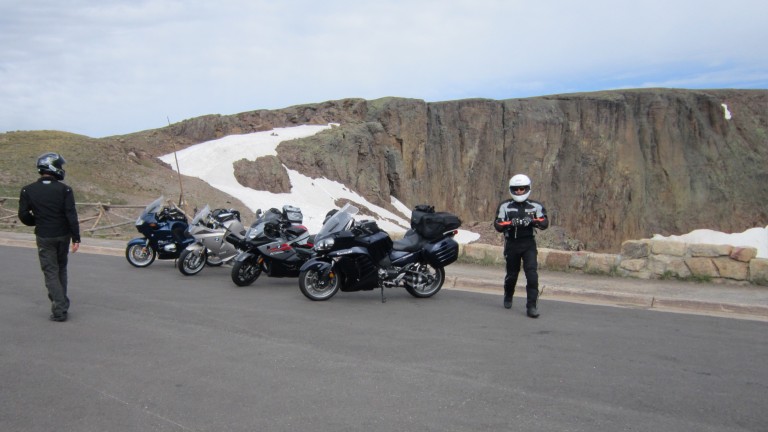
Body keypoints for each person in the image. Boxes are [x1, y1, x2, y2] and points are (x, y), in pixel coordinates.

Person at [18, 153, 81, 322]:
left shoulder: (28, 190)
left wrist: (36, 220)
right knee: (61, 269)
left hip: (44, 235)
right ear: (53, 167)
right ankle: (62, 303)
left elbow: (23, 215)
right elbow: (71, 215)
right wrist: (76, 238)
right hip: (63, 235)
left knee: (50, 271)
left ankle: (59, 308)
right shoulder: (65, 189)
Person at [493, 174, 549, 318]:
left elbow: (544, 223)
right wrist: (512, 223)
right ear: (511, 190)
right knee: (512, 274)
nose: (519, 191)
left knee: (532, 275)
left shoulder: (535, 206)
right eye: (516, 189)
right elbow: (498, 224)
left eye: (522, 189)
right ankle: (508, 294)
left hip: (528, 244)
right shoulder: (505, 206)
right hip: (512, 243)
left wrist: (531, 220)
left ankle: (531, 306)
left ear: (527, 189)